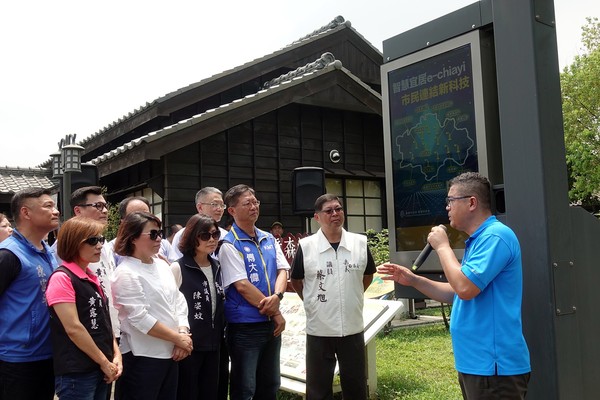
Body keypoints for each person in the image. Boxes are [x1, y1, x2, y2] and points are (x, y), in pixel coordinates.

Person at [378, 172, 531, 400]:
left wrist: (442, 247)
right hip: (476, 364)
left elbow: (465, 288)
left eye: (451, 200)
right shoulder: (479, 240)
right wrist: (413, 280)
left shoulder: (496, 236)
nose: (447, 207)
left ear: (471, 202)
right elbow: (457, 294)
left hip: (494, 367)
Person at [290, 194, 375, 400]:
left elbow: (367, 275)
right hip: (320, 327)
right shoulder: (306, 246)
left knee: (355, 384)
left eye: (338, 209)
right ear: (317, 217)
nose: (335, 214)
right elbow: (296, 280)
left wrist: (349, 295)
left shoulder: (359, 243)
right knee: (318, 386)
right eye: (329, 211)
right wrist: (311, 301)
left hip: (352, 326)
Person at [111, 211, 192, 400]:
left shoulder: (162, 265)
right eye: (153, 234)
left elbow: (178, 300)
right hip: (143, 356)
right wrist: (177, 339)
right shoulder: (126, 272)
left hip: (171, 352)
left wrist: (182, 332)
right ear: (133, 238)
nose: (159, 239)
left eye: (160, 233)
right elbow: (140, 318)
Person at [219, 184, 289, 400]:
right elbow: (241, 285)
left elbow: (282, 270)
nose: (253, 207)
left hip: (270, 325)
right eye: (247, 203)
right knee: (245, 387)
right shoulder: (228, 244)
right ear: (231, 211)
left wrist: (277, 297)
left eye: (255, 202)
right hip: (245, 327)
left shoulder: (269, 237)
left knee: (270, 384)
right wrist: (275, 312)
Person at [45, 216, 122, 400]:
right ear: (73, 243)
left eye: (101, 239)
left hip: (101, 368)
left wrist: (116, 355)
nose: (99, 246)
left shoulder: (91, 276)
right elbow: (73, 328)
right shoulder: (62, 278)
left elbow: (104, 321)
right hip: (77, 372)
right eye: (92, 240)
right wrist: (104, 362)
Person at [0, 188, 60, 400]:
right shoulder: (8, 255)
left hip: (47, 354)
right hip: (16, 359)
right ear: (26, 213)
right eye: (48, 206)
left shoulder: (48, 252)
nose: (56, 211)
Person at [52, 186, 120, 343]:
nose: (104, 211)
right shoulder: (64, 244)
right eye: (97, 206)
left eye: (105, 206)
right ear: (78, 211)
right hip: (87, 333)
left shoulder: (106, 245)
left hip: (111, 328)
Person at [170, 214, 225, 400]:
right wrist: (179, 338)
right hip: (189, 345)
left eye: (215, 235)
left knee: (210, 392)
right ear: (193, 237)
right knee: (188, 392)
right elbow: (171, 306)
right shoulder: (178, 268)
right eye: (205, 235)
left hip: (215, 343)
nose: (211, 240)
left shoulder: (217, 266)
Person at [108, 196, 178, 264]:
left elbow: (177, 270)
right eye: (136, 216)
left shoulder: (163, 245)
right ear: (123, 222)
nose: (143, 219)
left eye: (147, 215)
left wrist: (169, 268)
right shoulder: (111, 249)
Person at [171, 187, 228, 259]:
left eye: (222, 205)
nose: (219, 209)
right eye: (214, 204)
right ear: (200, 207)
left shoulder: (226, 235)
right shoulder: (183, 234)